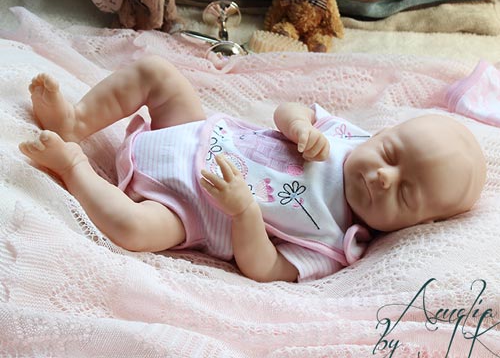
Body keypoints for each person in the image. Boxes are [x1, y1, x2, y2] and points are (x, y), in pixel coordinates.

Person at [19, 56, 487, 283]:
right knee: (157, 74)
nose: (384, 176)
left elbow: (265, 268)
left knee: (133, 229)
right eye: (390, 154)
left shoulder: (333, 243)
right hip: (196, 131)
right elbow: (289, 109)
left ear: (414, 224)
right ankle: (76, 121)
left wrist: (243, 212)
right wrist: (298, 124)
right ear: (381, 134)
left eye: (404, 194)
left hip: (187, 206)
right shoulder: (346, 137)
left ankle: (74, 166)